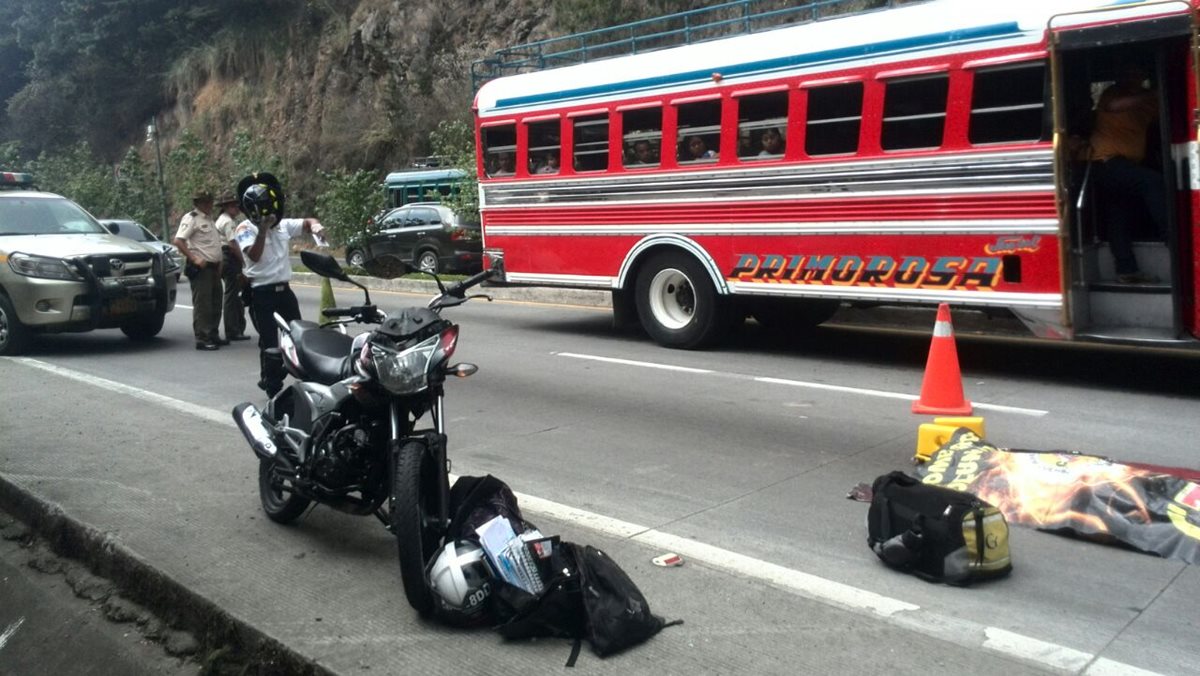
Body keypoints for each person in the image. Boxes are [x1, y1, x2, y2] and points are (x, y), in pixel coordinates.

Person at [233, 172, 326, 397]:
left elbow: (307, 221)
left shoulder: (282, 225)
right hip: (261, 293)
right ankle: (272, 385)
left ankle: (307, 378)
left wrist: (316, 226)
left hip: (284, 291)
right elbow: (253, 255)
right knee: (270, 342)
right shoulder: (244, 229)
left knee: (299, 335)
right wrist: (263, 231)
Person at [1088, 62, 1166, 284]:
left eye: (1138, 73)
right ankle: (1172, 237)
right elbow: (1114, 106)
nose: (1134, 77)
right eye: (1130, 73)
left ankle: (1126, 269)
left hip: (1124, 163)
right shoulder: (1113, 93)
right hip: (1105, 161)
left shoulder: (1148, 102)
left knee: (1119, 216)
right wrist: (1152, 94)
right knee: (1153, 183)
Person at [173, 190, 224, 350]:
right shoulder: (192, 218)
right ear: (198, 203)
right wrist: (194, 258)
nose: (209, 205)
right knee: (203, 304)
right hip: (202, 268)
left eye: (210, 201)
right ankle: (203, 337)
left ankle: (213, 334)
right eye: (206, 202)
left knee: (216, 301)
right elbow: (179, 240)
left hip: (214, 267)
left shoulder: (209, 219)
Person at [214, 193, 250, 342]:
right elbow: (233, 243)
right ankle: (232, 330)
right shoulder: (228, 222)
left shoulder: (220, 220)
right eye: (233, 206)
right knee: (232, 295)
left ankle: (235, 328)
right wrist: (243, 261)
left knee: (232, 293)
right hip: (229, 257)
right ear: (226, 207)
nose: (237, 208)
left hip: (224, 257)